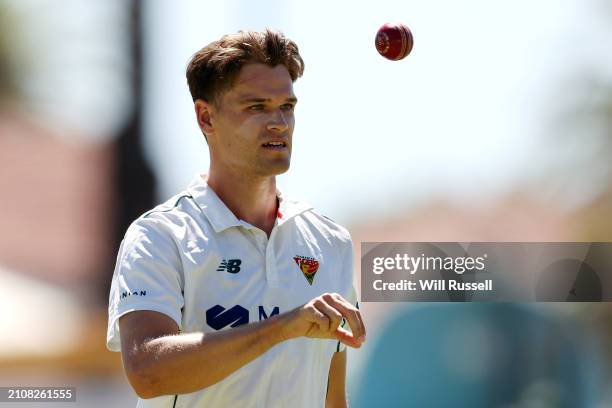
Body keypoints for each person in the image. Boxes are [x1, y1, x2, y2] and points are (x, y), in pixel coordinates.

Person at [106, 29, 365, 408]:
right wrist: (280, 328)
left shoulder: (331, 242)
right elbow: (147, 371)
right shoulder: (160, 236)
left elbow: (332, 398)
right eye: (257, 106)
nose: (278, 122)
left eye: (287, 106)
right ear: (206, 117)